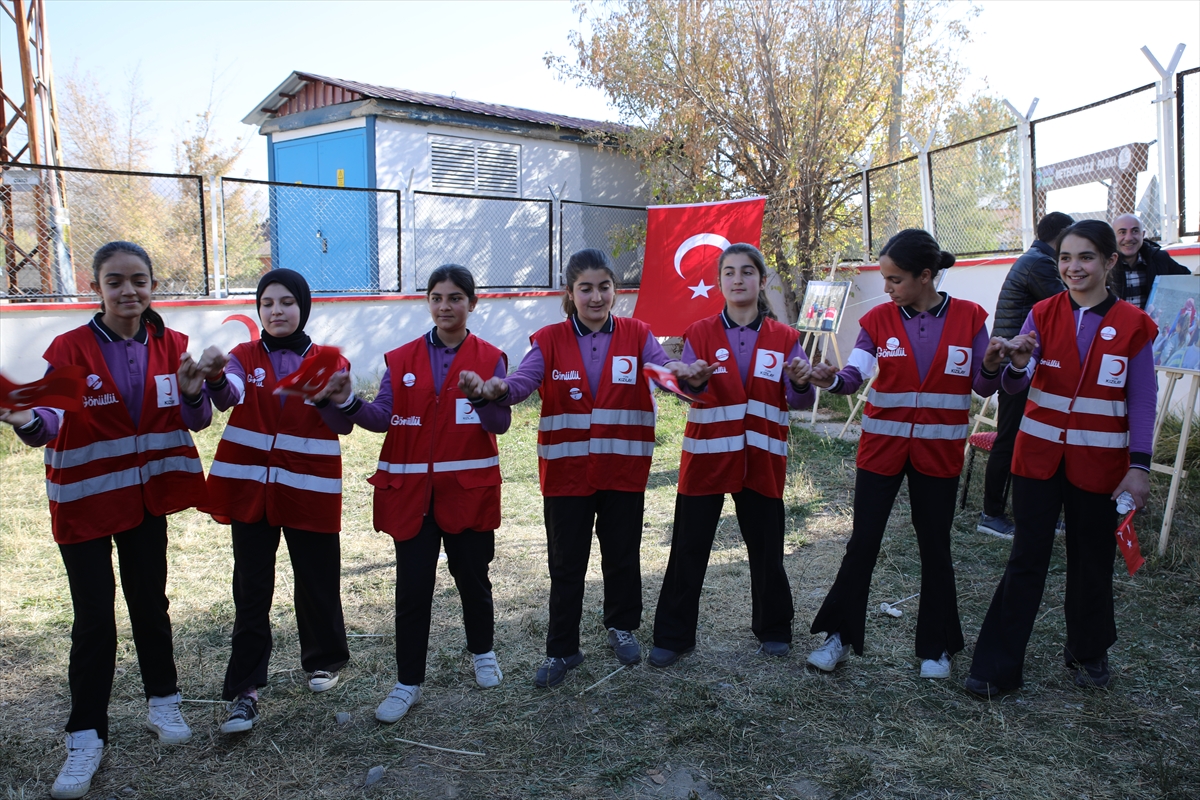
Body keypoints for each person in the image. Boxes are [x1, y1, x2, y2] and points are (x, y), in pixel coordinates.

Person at [0, 242, 209, 800]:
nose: (128, 291)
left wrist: (194, 393)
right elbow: (48, 416)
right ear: (96, 288)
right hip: (87, 504)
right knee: (94, 618)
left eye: (138, 280)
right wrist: (24, 419)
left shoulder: (173, 345)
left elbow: (197, 416)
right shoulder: (69, 349)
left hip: (146, 503)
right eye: (115, 281)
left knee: (151, 604)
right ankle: (86, 735)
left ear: (153, 286)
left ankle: (163, 703)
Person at [471, 248, 685, 688]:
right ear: (570, 292)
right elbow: (523, 382)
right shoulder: (548, 339)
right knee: (566, 565)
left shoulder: (638, 334)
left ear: (614, 290)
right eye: (585, 288)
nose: (595, 297)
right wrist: (496, 390)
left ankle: (621, 625)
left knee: (622, 556)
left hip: (623, 471)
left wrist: (685, 373)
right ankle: (562, 649)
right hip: (566, 475)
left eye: (603, 287)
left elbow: (666, 372)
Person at [965, 220, 1158, 697]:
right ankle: (996, 667)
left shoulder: (1135, 326)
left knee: (1091, 561)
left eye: (1086, 257)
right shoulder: (1042, 314)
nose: (1074, 267)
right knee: (1025, 559)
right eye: (1066, 258)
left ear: (1110, 262)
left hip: (1100, 466)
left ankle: (1088, 650)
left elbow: (1143, 400)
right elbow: (1011, 384)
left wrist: (1139, 466)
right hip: (1037, 463)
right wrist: (1011, 362)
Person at [805, 229, 1004, 680]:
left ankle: (938, 647)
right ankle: (838, 635)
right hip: (881, 451)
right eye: (885, 279)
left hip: (939, 455)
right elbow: (854, 374)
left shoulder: (971, 318)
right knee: (862, 545)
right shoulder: (877, 321)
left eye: (895, 279)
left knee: (935, 548)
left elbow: (983, 385)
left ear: (926, 275)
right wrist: (831, 379)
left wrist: (992, 363)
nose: (888, 288)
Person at [327, 264, 510, 722]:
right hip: (412, 496)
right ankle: (407, 682)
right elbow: (380, 416)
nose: (445, 306)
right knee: (412, 591)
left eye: (454, 298)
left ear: (472, 303)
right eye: (436, 297)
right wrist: (348, 401)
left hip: (467, 493)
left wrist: (485, 399)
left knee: (473, 578)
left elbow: (500, 424)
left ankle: (482, 651)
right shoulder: (400, 358)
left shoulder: (491, 357)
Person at [648, 243, 816, 668]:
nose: (737, 279)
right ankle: (673, 636)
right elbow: (686, 388)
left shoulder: (785, 337)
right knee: (688, 549)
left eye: (746, 271)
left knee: (766, 550)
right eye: (729, 272)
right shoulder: (700, 332)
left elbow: (801, 398)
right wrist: (695, 381)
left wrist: (799, 382)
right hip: (707, 459)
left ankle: (774, 629)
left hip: (761, 459)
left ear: (760, 280)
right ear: (720, 281)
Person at [200, 268, 352, 735]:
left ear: (302, 307)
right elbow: (230, 394)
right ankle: (245, 691)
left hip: (309, 490)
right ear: (258, 309)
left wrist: (340, 401)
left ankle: (323, 660)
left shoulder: (330, 360)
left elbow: (343, 423)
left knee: (317, 578)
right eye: (267, 303)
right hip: (250, 491)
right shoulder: (243, 355)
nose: (276, 311)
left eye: (286, 302)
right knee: (251, 589)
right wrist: (214, 377)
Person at [979, 212, 1074, 538]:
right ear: (1061, 235)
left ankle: (1037, 513)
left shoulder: (1035, 259)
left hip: (1024, 365)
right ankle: (991, 514)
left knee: (1030, 442)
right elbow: (1068, 306)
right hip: (1016, 367)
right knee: (1009, 441)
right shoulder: (1041, 264)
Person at [1110, 213, 1190, 310]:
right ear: (1112, 237)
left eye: (1135, 231)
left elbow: (1188, 280)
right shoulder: (1104, 264)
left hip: (1149, 323)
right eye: (1122, 232)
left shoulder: (1159, 259)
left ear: (1143, 235)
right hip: (1113, 324)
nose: (1129, 238)